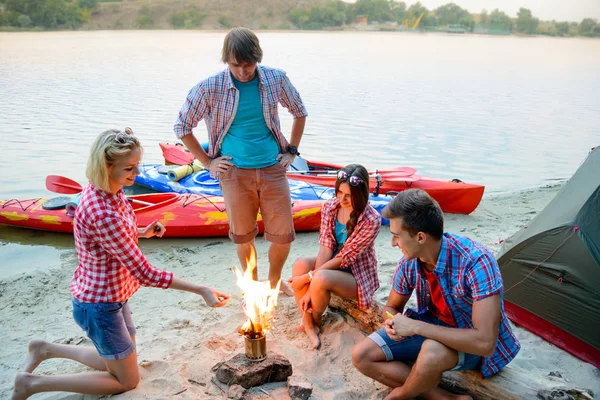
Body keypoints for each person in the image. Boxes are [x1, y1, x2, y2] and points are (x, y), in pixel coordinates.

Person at [11, 129, 230, 400]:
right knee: (127, 381)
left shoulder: (109, 191)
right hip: (100, 305)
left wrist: (140, 232)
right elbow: (145, 274)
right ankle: (31, 384)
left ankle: (44, 349)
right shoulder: (101, 209)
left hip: (113, 296)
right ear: (106, 166)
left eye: (137, 166)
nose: (136, 174)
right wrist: (201, 289)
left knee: (118, 360)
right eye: (128, 168)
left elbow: (109, 237)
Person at [173, 27, 307, 296]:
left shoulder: (276, 79)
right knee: (243, 235)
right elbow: (182, 126)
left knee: (283, 235)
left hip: (273, 168)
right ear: (227, 61)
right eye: (237, 65)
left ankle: (274, 281)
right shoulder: (210, 87)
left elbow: (299, 111)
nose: (244, 71)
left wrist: (292, 151)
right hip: (233, 172)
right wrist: (208, 162)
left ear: (258, 58)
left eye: (249, 64)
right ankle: (252, 285)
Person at [352, 189, 520, 400]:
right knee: (361, 355)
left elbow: (485, 343)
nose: (393, 243)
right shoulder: (409, 262)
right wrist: (392, 322)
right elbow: (391, 308)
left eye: (396, 236)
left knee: (431, 352)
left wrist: (415, 327)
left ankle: (399, 396)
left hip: (473, 343)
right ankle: (447, 399)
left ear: (420, 237)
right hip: (433, 328)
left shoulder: (477, 262)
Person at [287, 164, 381, 349]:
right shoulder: (330, 207)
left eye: (348, 195)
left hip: (355, 274)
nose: (342, 199)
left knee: (319, 278)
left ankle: (316, 321)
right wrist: (307, 283)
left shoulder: (372, 219)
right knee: (299, 264)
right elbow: (325, 249)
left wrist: (308, 281)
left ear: (360, 194)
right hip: (331, 264)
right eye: (339, 192)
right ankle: (308, 324)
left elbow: (344, 257)